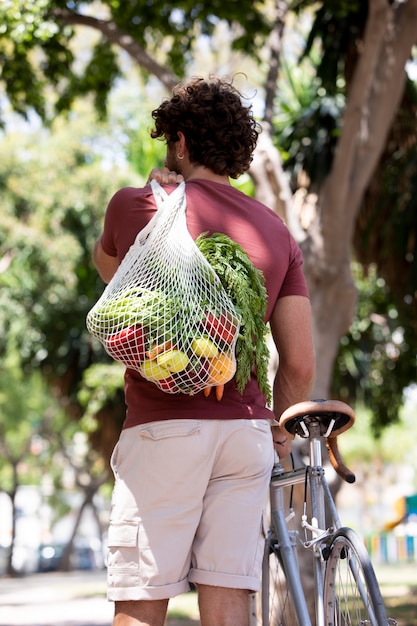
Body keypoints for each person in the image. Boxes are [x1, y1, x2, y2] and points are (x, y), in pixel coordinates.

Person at [92, 76, 315, 626]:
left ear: (182, 143)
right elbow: (301, 362)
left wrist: (158, 205)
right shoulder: (275, 232)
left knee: (143, 600)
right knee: (229, 600)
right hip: (245, 437)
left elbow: (109, 273)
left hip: (164, 430)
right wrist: (279, 432)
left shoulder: (136, 205)